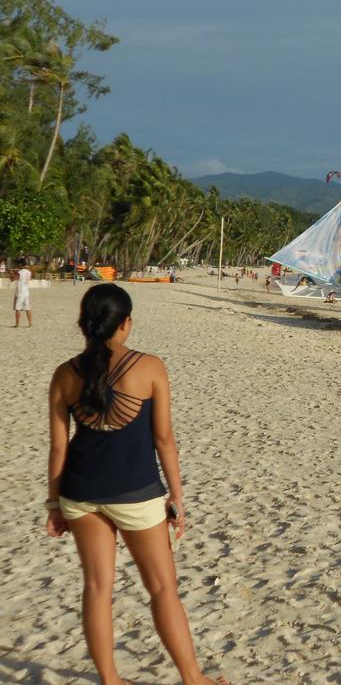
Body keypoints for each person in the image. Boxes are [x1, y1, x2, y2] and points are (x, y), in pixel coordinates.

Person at [45, 284, 227, 685]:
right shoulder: (150, 367)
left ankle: (110, 680)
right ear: (125, 324)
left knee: (96, 587)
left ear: (85, 324)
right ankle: (193, 679)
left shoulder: (65, 374)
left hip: (80, 492)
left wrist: (54, 504)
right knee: (162, 588)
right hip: (137, 493)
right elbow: (164, 439)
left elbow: (59, 447)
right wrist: (177, 496)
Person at [13, 259, 32, 327]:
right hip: (26, 292)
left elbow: (12, 279)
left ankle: (17, 324)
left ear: (21, 264)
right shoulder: (29, 272)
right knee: (28, 308)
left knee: (18, 309)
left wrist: (12, 273)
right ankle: (30, 323)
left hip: (20, 292)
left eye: (18, 264)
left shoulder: (20, 272)